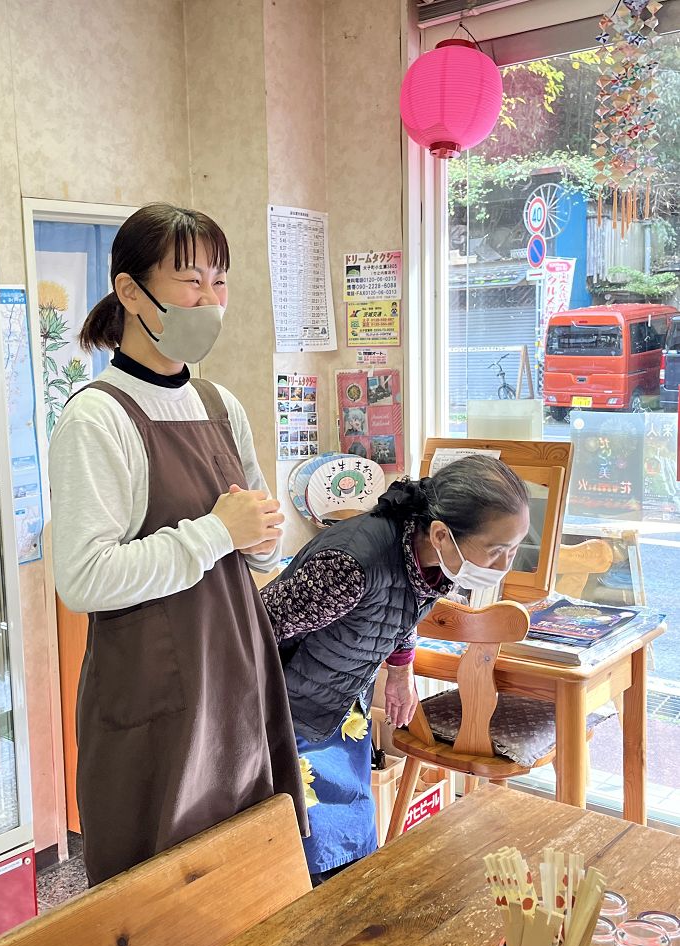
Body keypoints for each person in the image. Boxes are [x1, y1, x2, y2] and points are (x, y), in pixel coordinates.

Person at [49, 203, 308, 886]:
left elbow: (258, 548)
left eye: (219, 283)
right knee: (162, 898)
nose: (209, 300)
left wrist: (259, 540)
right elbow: (83, 578)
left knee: (246, 879)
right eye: (190, 281)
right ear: (131, 292)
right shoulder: (98, 418)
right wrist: (216, 531)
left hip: (234, 671)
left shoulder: (222, 405)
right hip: (155, 691)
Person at [261, 455, 529, 884]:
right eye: (497, 551)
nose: (504, 566)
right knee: (302, 852)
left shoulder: (429, 555)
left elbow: (402, 610)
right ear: (442, 533)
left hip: (341, 703)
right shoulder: (349, 565)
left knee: (348, 845)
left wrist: (402, 674)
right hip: (283, 714)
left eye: (514, 550)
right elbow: (255, 632)